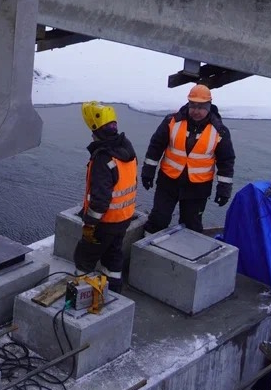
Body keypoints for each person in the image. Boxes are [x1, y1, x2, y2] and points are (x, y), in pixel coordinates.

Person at [141, 84, 236, 233]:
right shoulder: (171, 122)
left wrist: (224, 189)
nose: (196, 111)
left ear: (209, 106)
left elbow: (226, 161)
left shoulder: (219, 131)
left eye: (201, 107)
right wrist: (148, 171)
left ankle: (184, 255)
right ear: (188, 103)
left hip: (198, 188)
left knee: (191, 226)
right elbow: (156, 147)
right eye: (193, 106)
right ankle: (145, 252)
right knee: (158, 219)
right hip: (168, 181)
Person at [74, 102, 138, 293]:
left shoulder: (103, 158)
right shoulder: (126, 148)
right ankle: (114, 292)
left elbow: (101, 199)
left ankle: (80, 293)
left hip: (106, 221)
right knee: (113, 255)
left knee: (85, 256)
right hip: (124, 217)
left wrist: (90, 223)